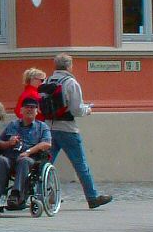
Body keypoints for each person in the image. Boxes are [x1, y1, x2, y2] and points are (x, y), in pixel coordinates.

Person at [46, 53, 112, 209]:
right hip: (68, 129)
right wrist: (87, 109)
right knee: (80, 164)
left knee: (44, 164)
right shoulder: (71, 83)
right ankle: (92, 197)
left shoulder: (47, 81)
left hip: (49, 127)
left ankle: (41, 193)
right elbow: (76, 109)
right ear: (69, 66)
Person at [0, 97, 52, 212]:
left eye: (32, 108)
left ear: (37, 111)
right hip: (10, 157)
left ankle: (17, 195)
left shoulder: (42, 127)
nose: (29, 110)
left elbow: (47, 143)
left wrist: (28, 152)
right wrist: (8, 143)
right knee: (1, 160)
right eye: (27, 107)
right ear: (21, 110)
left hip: (29, 159)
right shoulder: (13, 125)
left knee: (24, 161)